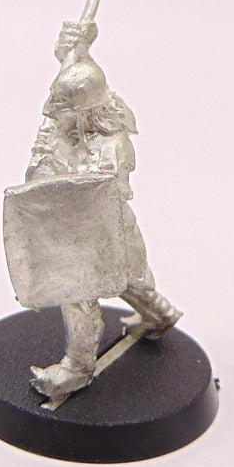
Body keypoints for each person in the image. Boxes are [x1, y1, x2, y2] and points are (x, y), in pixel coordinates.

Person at [25, 21, 180, 402]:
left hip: (99, 234)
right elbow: (73, 83)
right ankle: (160, 315)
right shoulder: (76, 111)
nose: (54, 112)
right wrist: (75, 50)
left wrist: (50, 164)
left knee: (79, 295)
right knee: (131, 279)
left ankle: (77, 368)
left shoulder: (110, 146)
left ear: (84, 110)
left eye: (64, 108)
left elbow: (95, 193)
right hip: (94, 232)